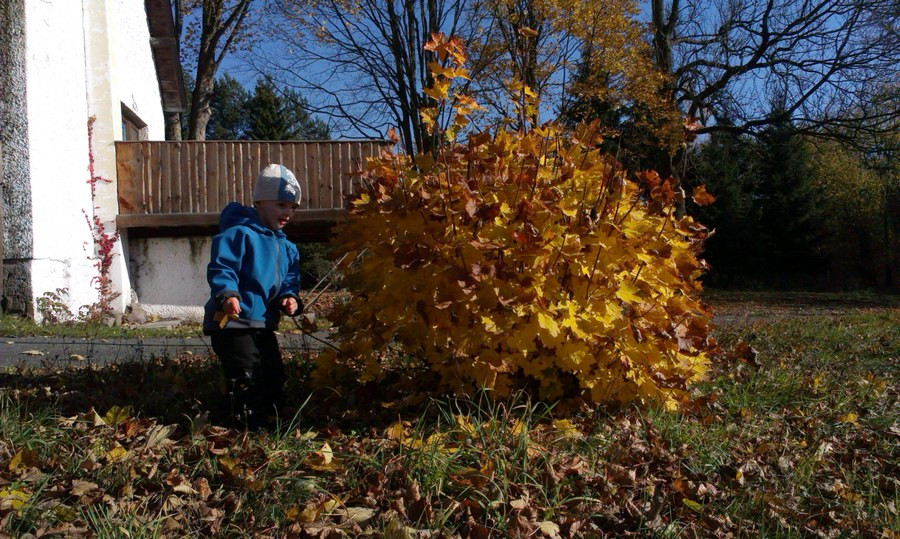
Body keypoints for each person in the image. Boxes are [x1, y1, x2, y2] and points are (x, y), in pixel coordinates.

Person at [203, 163, 303, 428]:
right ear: (260, 202)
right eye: (282, 204)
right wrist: (228, 293)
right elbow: (223, 266)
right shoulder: (239, 233)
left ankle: (270, 417)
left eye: (293, 207)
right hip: (233, 320)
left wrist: (289, 296)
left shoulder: (287, 246)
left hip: (262, 322)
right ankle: (241, 422)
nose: (288, 213)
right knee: (246, 373)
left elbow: (289, 279)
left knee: (273, 373)